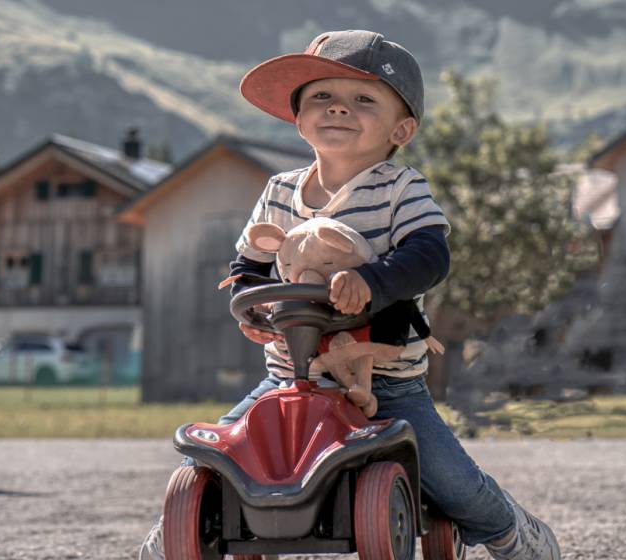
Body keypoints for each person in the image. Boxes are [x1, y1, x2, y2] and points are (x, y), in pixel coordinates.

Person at [139, 30, 560, 560]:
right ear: (298, 118)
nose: (338, 108)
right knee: (217, 451)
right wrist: (252, 299)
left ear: (401, 128)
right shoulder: (279, 191)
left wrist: (375, 281)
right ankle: (180, 524)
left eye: (363, 99)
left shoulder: (400, 189)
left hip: (387, 381)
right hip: (290, 375)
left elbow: (431, 255)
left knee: (452, 482)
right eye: (322, 97)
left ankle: (508, 530)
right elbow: (249, 260)